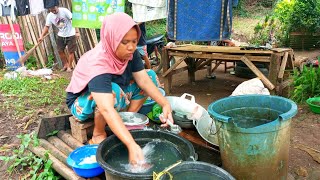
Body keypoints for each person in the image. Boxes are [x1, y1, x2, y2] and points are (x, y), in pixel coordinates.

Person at [65, 12, 173, 165]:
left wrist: (165, 104)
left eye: (134, 41)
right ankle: (98, 133)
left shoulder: (131, 53)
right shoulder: (99, 62)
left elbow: (143, 80)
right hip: (83, 104)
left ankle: (126, 120)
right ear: (112, 39)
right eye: (124, 42)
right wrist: (131, 144)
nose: (131, 47)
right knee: (112, 93)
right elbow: (106, 108)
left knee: (150, 75)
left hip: (113, 96)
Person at [38, 5, 79, 72]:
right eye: (51, 10)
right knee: (60, 51)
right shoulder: (50, 16)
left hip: (71, 33)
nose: (53, 11)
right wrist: (41, 36)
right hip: (61, 35)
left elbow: (73, 19)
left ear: (56, 6)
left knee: (71, 51)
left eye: (54, 9)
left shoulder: (64, 10)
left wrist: (76, 31)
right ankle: (66, 64)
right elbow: (47, 26)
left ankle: (70, 66)